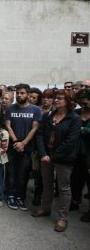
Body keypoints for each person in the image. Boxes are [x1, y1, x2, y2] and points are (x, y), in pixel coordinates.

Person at [32, 89, 81, 232]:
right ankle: (45, 208)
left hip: (63, 158)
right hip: (45, 156)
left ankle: (62, 218)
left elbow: (71, 141)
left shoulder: (74, 118)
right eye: (56, 98)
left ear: (69, 101)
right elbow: (40, 135)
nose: (56, 100)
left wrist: (52, 156)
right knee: (47, 183)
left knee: (63, 188)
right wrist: (43, 153)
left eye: (60, 98)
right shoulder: (48, 115)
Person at [5, 83, 42, 211]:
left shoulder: (35, 109)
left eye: (22, 93)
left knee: (23, 174)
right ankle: (10, 195)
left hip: (27, 148)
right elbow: (8, 126)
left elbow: (35, 128)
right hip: (12, 147)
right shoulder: (11, 108)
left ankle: (20, 196)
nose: (19, 95)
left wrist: (23, 143)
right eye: (18, 93)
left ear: (28, 94)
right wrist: (16, 142)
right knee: (11, 173)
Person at [70, 88, 90, 214]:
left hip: (89, 154)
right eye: (80, 103)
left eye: (85, 103)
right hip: (75, 153)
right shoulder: (75, 113)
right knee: (75, 180)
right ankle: (75, 201)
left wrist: (81, 130)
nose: (83, 106)